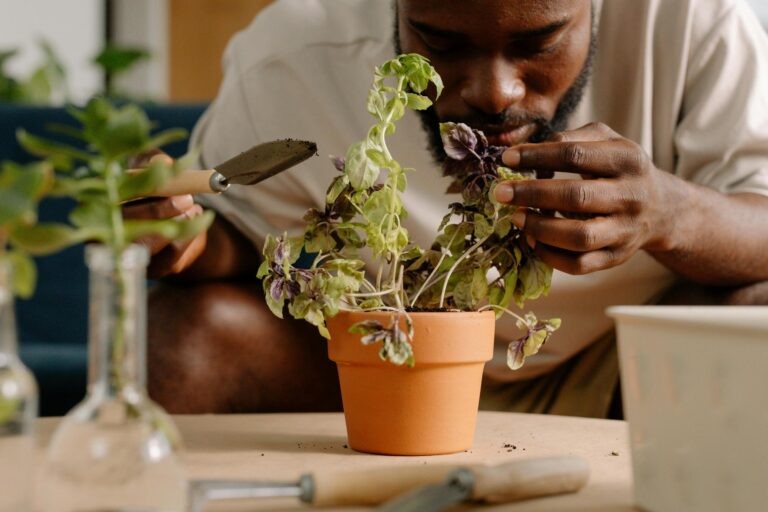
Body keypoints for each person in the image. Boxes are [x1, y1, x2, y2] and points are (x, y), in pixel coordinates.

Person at [125, 0, 768, 416]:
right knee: (184, 335)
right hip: (382, 371)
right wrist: (182, 236)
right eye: (441, 42)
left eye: (540, 42)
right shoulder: (290, 58)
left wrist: (671, 214)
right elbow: (238, 234)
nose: (494, 92)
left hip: (629, 375)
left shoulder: (697, 20)